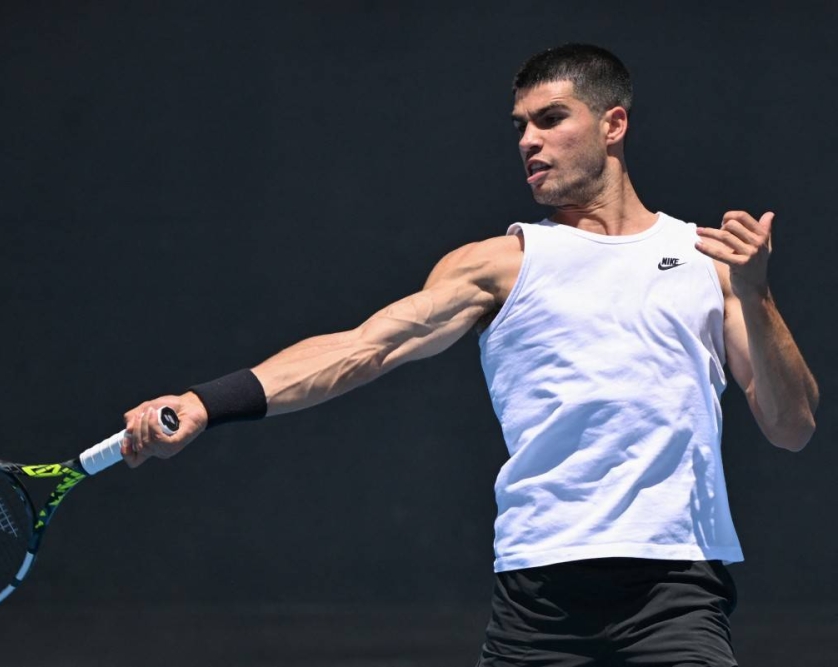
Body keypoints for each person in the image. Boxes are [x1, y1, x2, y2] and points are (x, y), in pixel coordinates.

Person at [120, 44, 818, 666]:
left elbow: (792, 427)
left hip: (677, 593)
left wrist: (756, 296)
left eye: (550, 119)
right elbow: (364, 347)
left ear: (613, 125)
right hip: (540, 599)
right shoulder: (500, 265)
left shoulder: (711, 263)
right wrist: (209, 400)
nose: (529, 141)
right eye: (519, 126)